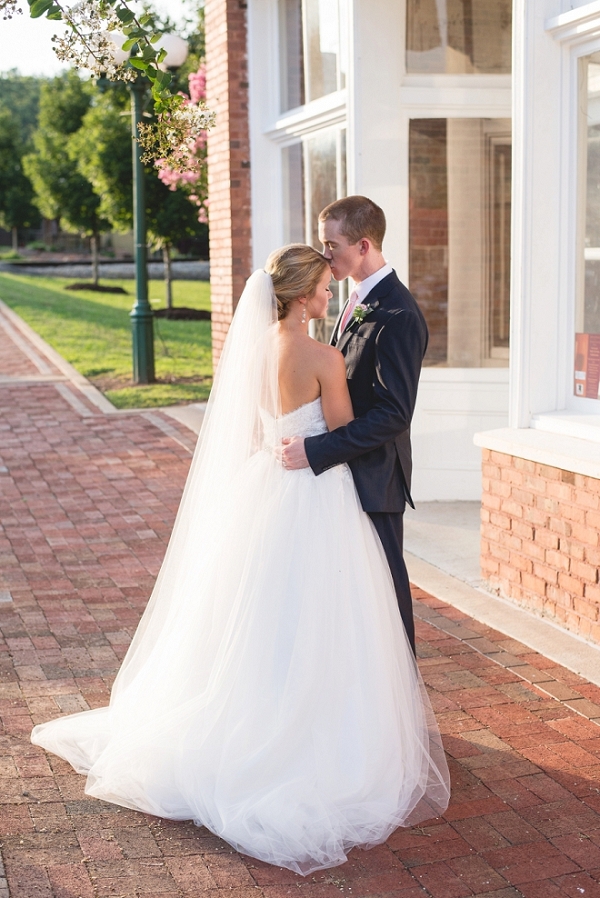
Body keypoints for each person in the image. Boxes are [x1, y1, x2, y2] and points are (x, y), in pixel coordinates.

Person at [31, 245, 449, 876]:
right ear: (306, 294)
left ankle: (247, 714)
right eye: (324, 290)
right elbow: (340, 430)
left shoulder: (253, 351)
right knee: (327, 611)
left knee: (253, 610)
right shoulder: (322, 356)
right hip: (316, 489)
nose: (330, 297)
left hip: (264, 487)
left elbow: (260, 429)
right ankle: (314, 728)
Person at [282, 197, 428, 654]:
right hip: (341, 480)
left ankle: (396, 707)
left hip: (373, 476)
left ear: (363, 245)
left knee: (386, 600)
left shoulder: (399, 315)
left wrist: (317, 450)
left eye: (332, 245)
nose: (325, 255)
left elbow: (394, 413)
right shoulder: (351, 301)